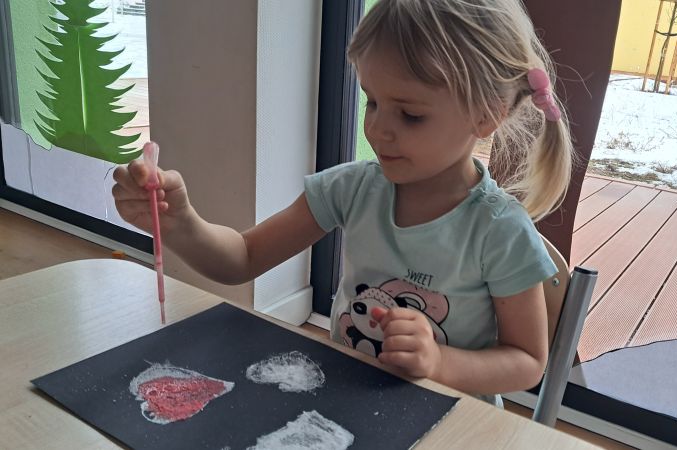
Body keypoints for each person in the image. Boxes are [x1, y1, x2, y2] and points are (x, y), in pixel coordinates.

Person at [112, 0, 573, 406]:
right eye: (371, 102)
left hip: (451, 421)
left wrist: (438, 361)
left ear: (487, 115)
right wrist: (180, 224)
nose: (378, 130)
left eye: (410, 115)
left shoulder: (499, 230)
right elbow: (244, 258)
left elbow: (527, 361)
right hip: (348, 399)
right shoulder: (352, 189)